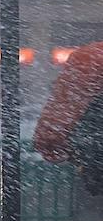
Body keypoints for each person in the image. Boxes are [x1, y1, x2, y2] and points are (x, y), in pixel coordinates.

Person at [34, 41, 103, 194]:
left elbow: (62, 109)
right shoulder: (92, 58)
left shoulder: (90, 58)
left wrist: (53, 145)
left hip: (91, 154)